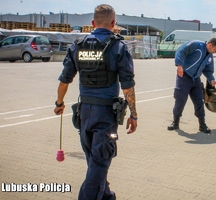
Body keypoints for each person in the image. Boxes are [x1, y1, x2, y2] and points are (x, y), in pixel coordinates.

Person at [54, 4, 137, 200]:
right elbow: (127, 86)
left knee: (94, 159)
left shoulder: (78, 45)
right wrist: (133, 114)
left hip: (84, 113)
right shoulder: (118, 47)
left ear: (92, 23)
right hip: (105, 115)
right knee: (100, 163)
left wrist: (59, 103)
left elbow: (65, 80)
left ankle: (106, 195)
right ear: (114, 24)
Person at [167, 38, 216, 133]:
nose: (214, 51)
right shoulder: (196, 45)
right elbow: (181, 51)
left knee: (199, 102)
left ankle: (202, 125)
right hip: (184, 77)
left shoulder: (210, 56)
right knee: (180, 100)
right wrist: (179, 65)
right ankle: (175, 122)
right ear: (210, 45)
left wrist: (211, 78)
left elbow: (208, 69)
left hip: (196, 79)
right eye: (215, 49)